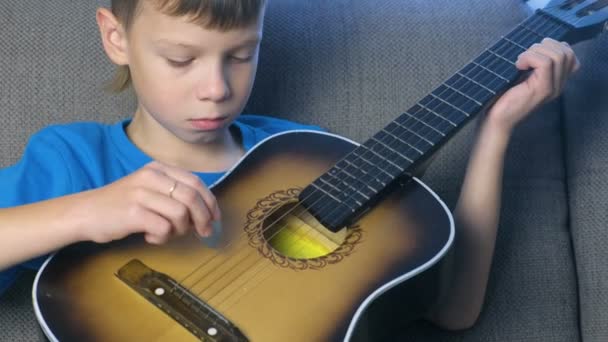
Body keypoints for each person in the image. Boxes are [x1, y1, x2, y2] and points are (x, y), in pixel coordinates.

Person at [0, 0, 579, 332]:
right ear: (115, 36)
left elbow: (453, 310)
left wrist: (496, 131)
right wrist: (84, 211)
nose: (215, 88)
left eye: (242, 54)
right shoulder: (75, 158)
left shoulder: (304, 156)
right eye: (181, 58)